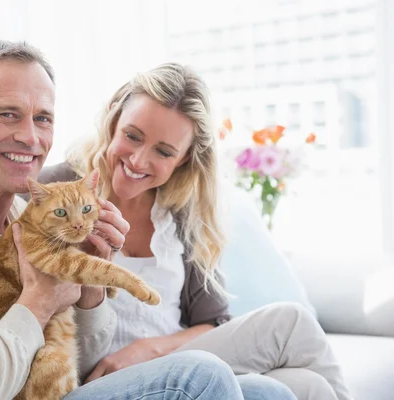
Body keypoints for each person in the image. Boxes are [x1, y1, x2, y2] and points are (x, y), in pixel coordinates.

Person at [0, 40, 288, 400]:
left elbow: (79, 362)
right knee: (200, 376)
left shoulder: (32, 215)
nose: (30, 136)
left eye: (43, 118)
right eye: (7, 114)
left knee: (270, 395)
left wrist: (90, 290)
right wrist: (38, 302)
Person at [36, 62, 355, 400]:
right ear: (114, 121)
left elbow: (212, 321)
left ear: (184, 158)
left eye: (163, 151)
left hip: (179, 368)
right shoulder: (54, 192)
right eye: (133, 136)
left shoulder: (179, 213)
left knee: (308, 388)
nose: (139, 161)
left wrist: (151, 348)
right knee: (291, 322)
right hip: (108, 378)